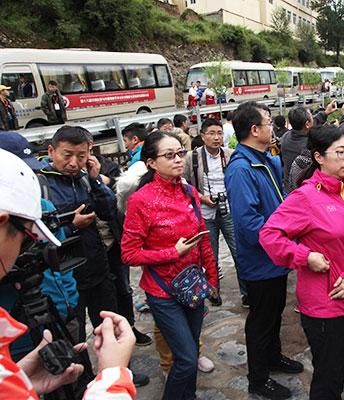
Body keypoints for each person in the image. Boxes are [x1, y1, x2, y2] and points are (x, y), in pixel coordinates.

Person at [0, 149, 136, 399]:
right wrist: (113, 374)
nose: (29, 249)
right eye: (30, 237)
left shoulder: (85, 180)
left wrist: (17, 379)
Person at [260, 125, 344, 400]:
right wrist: (305, 256)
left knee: (336, 369)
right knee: (329, 376)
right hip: (323, 302)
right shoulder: (305, 197)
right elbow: (269, 235)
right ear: (319, 157)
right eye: (340, 152)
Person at [121, 131, 219, 400]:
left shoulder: (188, 191)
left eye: (180, 153)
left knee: (190, 355)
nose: (178, 160)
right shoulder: (141, 201)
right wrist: (171, 253)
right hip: (162, 292)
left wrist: (212, 278)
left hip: (193, 286)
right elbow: (128, 254)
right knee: (186, 358)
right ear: (151, 162)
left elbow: (202, 239)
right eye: (169, 155)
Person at [224, 102, 303, 400]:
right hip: (261, 260)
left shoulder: (264, 159)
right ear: (254, 130)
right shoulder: (242, 169)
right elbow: (248, 223)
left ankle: (274, 357)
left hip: (274, 257)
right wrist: (283, 242)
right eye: (268, 122)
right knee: (260, 319)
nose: (273, 127)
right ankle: (258, 379)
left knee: (273, 313)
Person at [38, 126, 119, 345]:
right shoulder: (41, 185)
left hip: (97, 268)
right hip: (66, 278)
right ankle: (83, 378)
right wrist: (71, 226)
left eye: (81, 156)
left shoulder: (86, 179)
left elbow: (109, 211)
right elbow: (38, 238)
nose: (74, 163)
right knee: (74, 338)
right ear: (51, 151)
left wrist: (96, 180)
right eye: (67, 155)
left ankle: (115, 374)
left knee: (110, 328)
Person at [184, 118, 248, 307]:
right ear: (202, 136)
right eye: (211, 133)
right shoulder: (192, 157)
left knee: (239, 253)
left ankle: (246, 294)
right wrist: (202, 198)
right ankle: (213, 292)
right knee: (210, 257)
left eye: (219, 133)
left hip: (228, 210)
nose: (216, 137)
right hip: (205, 214)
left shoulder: (230, 155)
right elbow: (184, 184)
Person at [280, 100, 344, 192]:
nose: (314, 119)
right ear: (307, 124)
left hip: (289, 188)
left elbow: (311, 126)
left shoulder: (286, 137)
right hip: (309, 191)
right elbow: (339, 136)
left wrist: (325, 113)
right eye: (311, 117)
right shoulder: (311, 144)